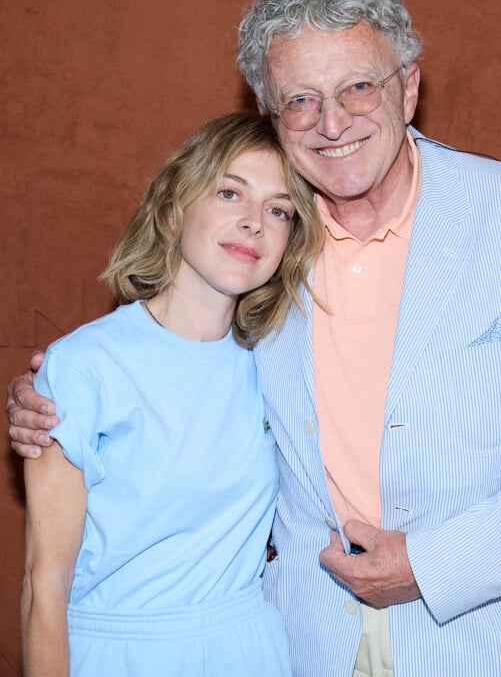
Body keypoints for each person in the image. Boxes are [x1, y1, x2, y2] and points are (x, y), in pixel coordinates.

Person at [7, 0, 501, 677]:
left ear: (408, 87)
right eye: (301, 101)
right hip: (303, 643)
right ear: (272, 118)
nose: (332, 123)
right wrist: (57, 399)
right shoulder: (265, 246)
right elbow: (164, 371)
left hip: (494, 641)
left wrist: (436, 565)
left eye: (358, 87)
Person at [18, 110, 324, 677]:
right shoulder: (83, 367)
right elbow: (45, 584)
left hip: (251, 649)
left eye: (279, 209)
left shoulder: (280, 362)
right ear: (171, 208)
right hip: (120, 654)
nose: (255, 222)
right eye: (230, 192)